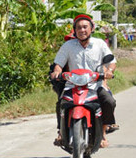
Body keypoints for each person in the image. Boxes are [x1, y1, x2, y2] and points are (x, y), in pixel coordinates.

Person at [50, 14, 117, 148]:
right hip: (72, 85)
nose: (82, 30)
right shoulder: (68, 46)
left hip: (94, 84)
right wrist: (57, 71)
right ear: (75, 30)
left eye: (85, 27)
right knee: (61, 103)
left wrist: (109, 71)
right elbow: (59, 63)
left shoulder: (99, 44)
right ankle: (61, 133)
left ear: (91, 28)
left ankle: (103, 132)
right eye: (79, 28)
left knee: (109, 101)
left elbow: (112, 61)